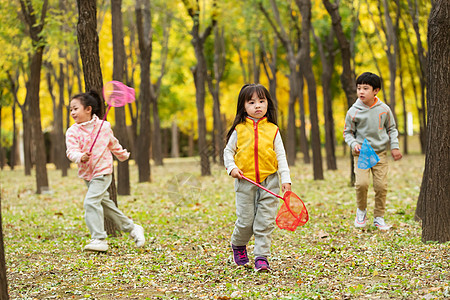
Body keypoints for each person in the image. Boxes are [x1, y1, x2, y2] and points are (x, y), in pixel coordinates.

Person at [66, 90, 145, 252]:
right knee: (106, 205)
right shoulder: (72, 131)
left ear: (88, 109)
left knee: (90, 202)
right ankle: (132, 228)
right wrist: (80, 157)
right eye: (71, 109)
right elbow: (71, 151)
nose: (72, 112)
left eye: (75, 108)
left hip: (102, 171)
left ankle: (99, 238)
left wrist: (122, 155)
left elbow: (113, 143)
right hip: (87, 174)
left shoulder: (103, 127)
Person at [223, 83, 291, 271]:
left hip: (270, 181)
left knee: (264, 222)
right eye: (252, 102)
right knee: (246, 222)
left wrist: (285, 179)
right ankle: (238, 244)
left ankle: (261, 258)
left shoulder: (273, 130)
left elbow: (281, 156)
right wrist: (232, 168)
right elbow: (228, 152)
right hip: (245, 181)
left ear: (268, 103)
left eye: (262, 101)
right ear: (243, 106)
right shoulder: (238, 129)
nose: (258, 106)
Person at [344, 72, 403, 231]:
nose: (361, 92)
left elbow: (391, 128)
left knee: (381, 186)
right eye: (358, 88)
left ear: (376, 90)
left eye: (365, 88)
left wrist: (395, 146)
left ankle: (378, 217)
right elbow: (347, 133)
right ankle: (361, 211)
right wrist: (353, 143)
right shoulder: (353, 111)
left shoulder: (384, 109)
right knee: (361, 184)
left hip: (380, 154)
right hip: (361, 153)